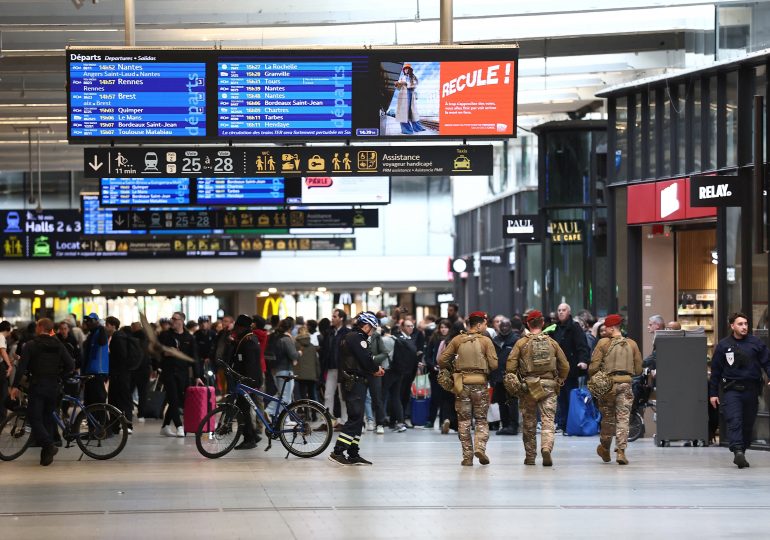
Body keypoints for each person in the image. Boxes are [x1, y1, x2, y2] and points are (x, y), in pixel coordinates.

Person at [507, 310, 569, 466]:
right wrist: (560, 379)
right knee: (548, 420)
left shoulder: (521, 343)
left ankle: (530, 456)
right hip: (549, 386)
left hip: (528, 387)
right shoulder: (552, 343)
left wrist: (514, 381)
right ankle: (546, 447)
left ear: (527, 324)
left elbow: (510, 366)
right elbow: (565, 365)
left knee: (529, 422)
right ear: (542, 323)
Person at [709, 312, 770, 469]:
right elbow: (715, 371)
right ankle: (737, 451)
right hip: (731, 390)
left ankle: (741, 451)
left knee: (748, 424)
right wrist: (713, 394)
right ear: (732, 326)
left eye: (746, 324)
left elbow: (767, 362)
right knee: (734, 420)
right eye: (740, 324)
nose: (744, 327)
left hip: (751, 390)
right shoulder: (723, 345)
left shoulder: (756, 343)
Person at [10, 318, 74, 466]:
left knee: (34, 418)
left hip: (38, 385)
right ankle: (46, 455)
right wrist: (60, 376)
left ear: (40, 327)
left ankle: (48, 445)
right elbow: (70, 364)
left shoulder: (31, 345)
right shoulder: (58, 344)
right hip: (53, 386)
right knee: (48, 418)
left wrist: (14, 386)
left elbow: (21, 368)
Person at [438, 311, 498, 466]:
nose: (486, 326)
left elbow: (442, 359)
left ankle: (467, 457)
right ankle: (480, 448)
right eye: (485, 324)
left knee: (464, 421)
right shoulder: (486, 341)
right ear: (478, 324)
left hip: (461, 385)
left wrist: (454, 367)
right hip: (480, 385)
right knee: (481, 419)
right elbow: (494, 365)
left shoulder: (458, 340)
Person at [328, 312, 385, 466]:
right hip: (354, 383)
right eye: (372, 328)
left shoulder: (351, 337)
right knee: (355, 418)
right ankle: (338, 451)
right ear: (366, 326)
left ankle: (353, 453)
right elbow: (365, 359)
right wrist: (375, 369)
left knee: (358, 419)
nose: (373, 332)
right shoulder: (356, 338)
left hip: (355, 381)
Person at [589, 314, 642, 465]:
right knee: (623, 419)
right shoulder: (632, 344)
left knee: (607, 418)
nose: (604, 330)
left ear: (612, 328)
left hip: (607, 386)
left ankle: (605, 448)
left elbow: (593, 366)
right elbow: (638, 369)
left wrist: (595, 375)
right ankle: (621, 452)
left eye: (606, 328)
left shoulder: (603, 343)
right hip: (625, 385)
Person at [158, 312, 202, 438]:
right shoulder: (165, 335)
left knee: (178, 399)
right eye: (171, 318)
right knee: (173, 398)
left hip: (183, 373)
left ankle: (165, 426)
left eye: (174, 318)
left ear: (181, 321)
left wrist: (197, 376)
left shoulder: (189, 337)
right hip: (168, 371)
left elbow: (194, 357)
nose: (172, 321)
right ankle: (179, 426)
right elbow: (157, 351)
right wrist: (166, 354)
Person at [552, 303, 591, 433]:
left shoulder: (574, 327)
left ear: (569, 312)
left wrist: (583, 360)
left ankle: (570, 424)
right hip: (557, 368)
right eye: (559, 310)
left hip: (571, 367)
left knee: (570, 396)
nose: (561, 312)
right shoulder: (555, 328)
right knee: (560, 397)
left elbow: (582, 345)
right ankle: (562, 424)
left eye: (563, 310)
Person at [230, 315, 262, 450]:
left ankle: (249, 438)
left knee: (243, 410)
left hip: (247, 382)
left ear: (241, 327)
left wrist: (247, 383)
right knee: (245, 409)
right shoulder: (247, 338)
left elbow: (250, 364)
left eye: (236, 327)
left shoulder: (248, 341)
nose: (235, 330)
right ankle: (253, 435)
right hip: (249, 381)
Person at [492, 318, 521, 436]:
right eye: (502, 326)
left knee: (512, 401)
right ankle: (504, 425)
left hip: (512, 375)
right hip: (498, 376)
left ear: (510, 326)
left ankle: (513, 426)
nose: (504, 328)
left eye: (506, 326)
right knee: (501, 401)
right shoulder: (495, 340)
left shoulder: (516, 340)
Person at [265, 318, 298, 417]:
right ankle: (270, 411)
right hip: (285, 370)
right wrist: (299, 353)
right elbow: (293, 355)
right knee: (286, 398)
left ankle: (279, 417)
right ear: (290, 328)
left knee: (280, 395)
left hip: (275, 369)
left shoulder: (274, 337)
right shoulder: (286, 339)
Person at [105, 316, 133, 433]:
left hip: (120, 375)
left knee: (121, 399)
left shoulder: (118, 337)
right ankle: (115, 425)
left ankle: (127, 425)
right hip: (120, 374)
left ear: (112, 325)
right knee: (116, 400)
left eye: (107, 325)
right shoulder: (116, 337)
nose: (105, 327)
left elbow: (121, 356)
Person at [82, 313, 109, 412]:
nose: (88, 323)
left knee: (98, 401)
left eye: (91, 320)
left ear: (97, 322)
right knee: (89, 401)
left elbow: (102, 342)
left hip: (98, 372)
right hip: (89, 372)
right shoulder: (91, 335)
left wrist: (101, 327)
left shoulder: (100, 332)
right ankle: (91, 425)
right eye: (87, 321)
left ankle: (101, 424)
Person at [129, 321, 151, 423]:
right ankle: (141, 414)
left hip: (133, 369)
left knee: (129, 391)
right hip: (145, 369)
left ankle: (130, 410)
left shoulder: (130, 339)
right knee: (143, 393)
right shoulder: (147, 339)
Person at [394, 63, 425, 134]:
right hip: (403, 96)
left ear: (410, 70)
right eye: (405, 69)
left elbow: (415, 84)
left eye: (407, 68)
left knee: (413, 112)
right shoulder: (402, 77)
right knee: (403, 113)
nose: (406, 70)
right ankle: (407, 130)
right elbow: (399, 88)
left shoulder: (413, 77)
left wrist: (406, 83)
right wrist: (397, 84)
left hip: (410, 93)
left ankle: (418, 128)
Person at [0, 320, 14, 420]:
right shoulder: (1, 336)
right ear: (8, 329)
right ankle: (2, 418)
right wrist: (9, 365)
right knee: (3, 393)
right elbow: (2, 351)